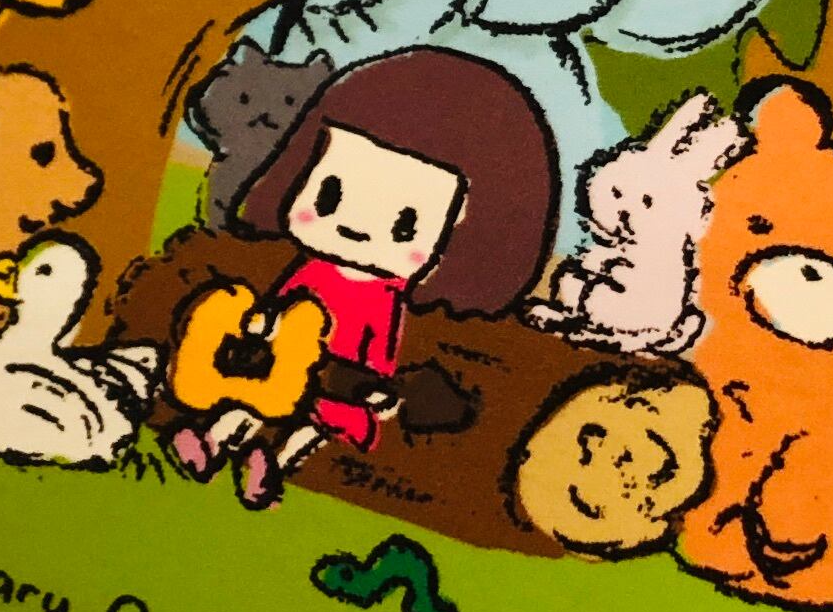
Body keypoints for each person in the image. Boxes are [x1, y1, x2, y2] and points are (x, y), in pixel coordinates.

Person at [163, 46, 561, 508]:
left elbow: (379, 355)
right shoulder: (311, 270)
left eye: (405, 225)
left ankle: (274, 464)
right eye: (329, 195)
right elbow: (283, 308)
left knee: (315, 420)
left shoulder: (386, 300)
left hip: (338, 383)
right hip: (283, 365)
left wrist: (372, 393)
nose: (355, 227)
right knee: (251, 396)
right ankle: (212, 441)